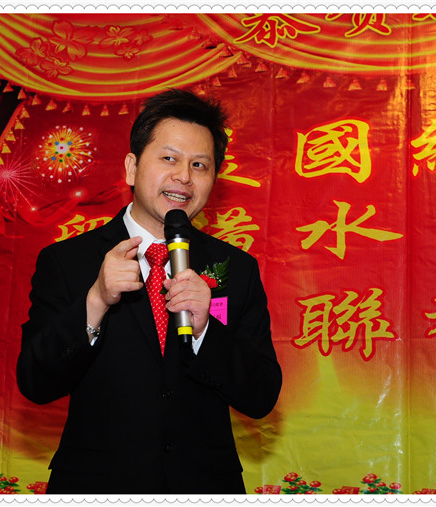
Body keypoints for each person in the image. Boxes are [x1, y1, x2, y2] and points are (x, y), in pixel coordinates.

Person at [17, 89, 282, 494]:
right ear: (132, 167)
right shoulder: (69, 261)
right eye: (169, 159)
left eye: (200, 165)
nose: (184, 177)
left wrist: (205, 332)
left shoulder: (236, 268)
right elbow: (36, 382)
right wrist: (95, 301)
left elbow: (261, 395)